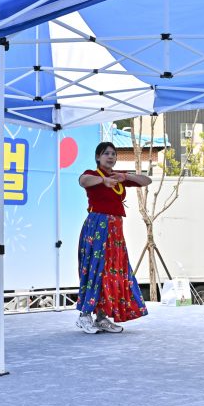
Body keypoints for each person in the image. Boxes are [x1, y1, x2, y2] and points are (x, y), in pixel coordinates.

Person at [76, 141, 152, 334]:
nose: (110, 157)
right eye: (106, 153)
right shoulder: (93, 175)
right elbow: (82, 180)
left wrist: (125, 176)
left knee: (112, 273)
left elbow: (146, 181)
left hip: (115, 232)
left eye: (113, 154)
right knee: (96, 270)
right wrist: (103, 181)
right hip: (98, 228)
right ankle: (84, 315)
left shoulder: (118, 177)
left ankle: (102, 317)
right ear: (97, 157)